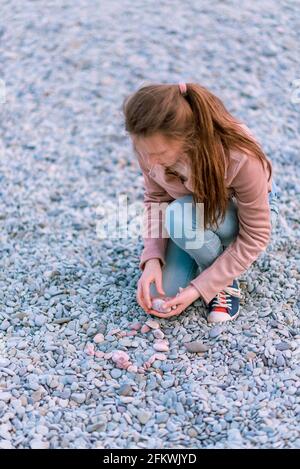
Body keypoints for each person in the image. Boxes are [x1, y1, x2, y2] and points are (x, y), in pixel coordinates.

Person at [122, 82, 279, 323]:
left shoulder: (239, 157)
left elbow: (256, 234)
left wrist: (201, 288)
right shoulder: (150, 148)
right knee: (158, 297)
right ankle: (204, 253)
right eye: (144, 152)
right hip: (189, 214)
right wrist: (152, 258)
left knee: (180, 217)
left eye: (159, 154)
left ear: (188, 139)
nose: (150, 161)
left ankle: (222, 280)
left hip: (236, 217)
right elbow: (156, 199)